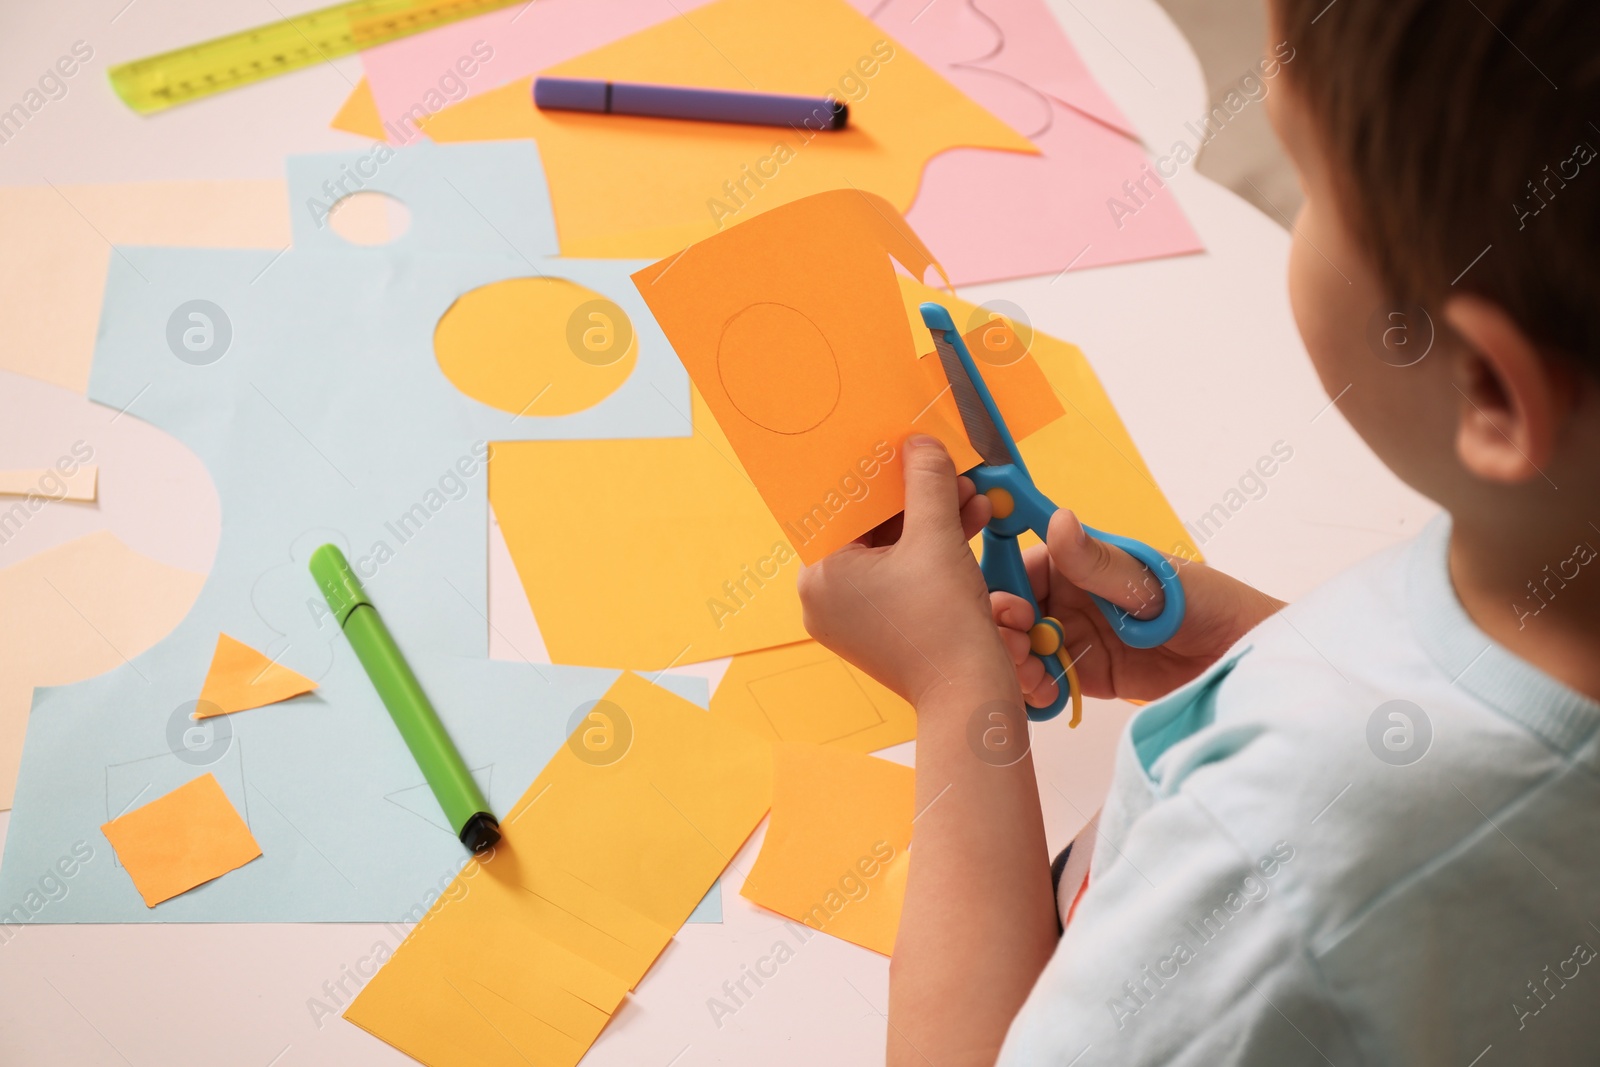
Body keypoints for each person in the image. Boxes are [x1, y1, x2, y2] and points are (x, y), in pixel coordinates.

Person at [796, 0, 1600, 1062]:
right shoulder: (1537, 565)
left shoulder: (1280, 871)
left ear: (1489, 391)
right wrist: (1269, 649)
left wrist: (956, 696)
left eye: (1307, 183)